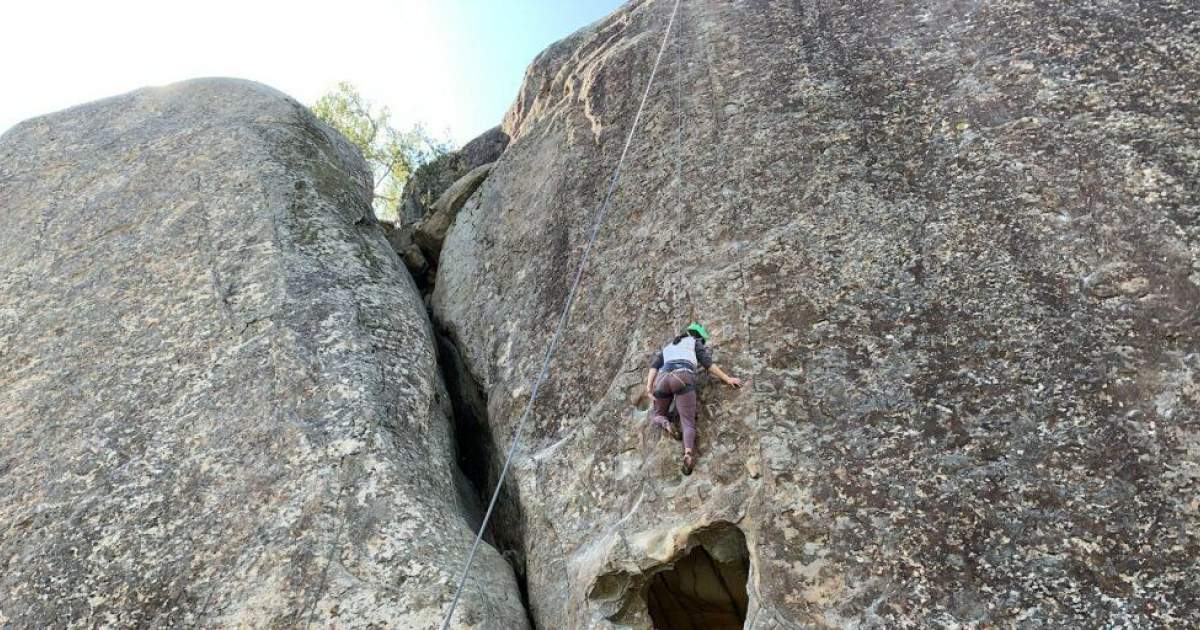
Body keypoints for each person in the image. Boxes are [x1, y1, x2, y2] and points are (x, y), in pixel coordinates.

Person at [644, 323, 743, 474]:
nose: (702, 344)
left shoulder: (669, 347)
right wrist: (727, 379)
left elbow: (654, 367)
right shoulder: (694, 342)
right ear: (697, 336)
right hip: (682, 377)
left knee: (657, 415)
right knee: (688, 422)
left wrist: (649, 387)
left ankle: (666, 424)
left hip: (662, 379)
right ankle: (688, 453)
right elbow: (708, 364)